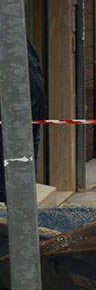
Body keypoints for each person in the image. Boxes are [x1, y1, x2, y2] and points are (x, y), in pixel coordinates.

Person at [0, 41, 47, 203]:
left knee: (19, 180)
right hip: (19, 120)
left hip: (25, 119)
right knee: (16, 181)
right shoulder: (14, 41)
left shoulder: (16, 41)